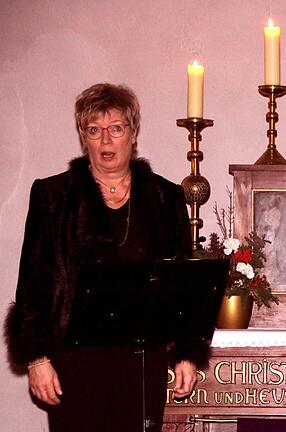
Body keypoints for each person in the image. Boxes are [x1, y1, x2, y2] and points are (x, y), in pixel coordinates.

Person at [4, 83, 209, 432]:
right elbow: (33, 283)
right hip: (73, 359)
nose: (106, 141)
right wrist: (37, 357)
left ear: (133, 134)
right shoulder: (53, 196)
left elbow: (182, 287)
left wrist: (187, 353)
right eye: (94, 130)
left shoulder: (165, 197)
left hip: (142, 361)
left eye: (116, 129)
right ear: (84, 137)